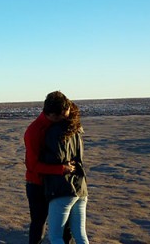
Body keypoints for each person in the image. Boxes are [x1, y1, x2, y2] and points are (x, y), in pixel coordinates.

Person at [24, 91, 75, 244]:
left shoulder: (58, 126)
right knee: (38, 224)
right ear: (52, 114)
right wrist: (61, 169)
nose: (66, 118)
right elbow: (32, 166)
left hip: (56, 184)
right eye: (63, 116)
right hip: (38, 185)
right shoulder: (33, 131)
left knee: (65, 225)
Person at [43, 100, 89, 244]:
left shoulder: (55, 131)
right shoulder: (77, 131)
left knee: (55, 236)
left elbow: (57, 157)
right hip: (81, 187)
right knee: (80, 235)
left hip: (62, 188)